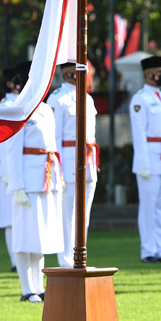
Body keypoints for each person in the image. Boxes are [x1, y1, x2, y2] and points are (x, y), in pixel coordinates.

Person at [6, 61, 64, 301]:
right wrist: (16, 184)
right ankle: (26, 288)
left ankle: (38, 286)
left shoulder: (46, 109)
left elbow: (53, 145)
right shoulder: (18, 108)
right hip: (27, 181)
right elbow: (12, 150)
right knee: (23, 237)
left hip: (45, 179)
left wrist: (58, 179)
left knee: (39, 237)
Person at [47, 62, 98, 269]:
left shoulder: (87, 98)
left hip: (88, 159)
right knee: (67, 213)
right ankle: (67, 259)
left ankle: (81, 254)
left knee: (83, 214)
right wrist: (57, 169)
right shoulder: (57, 99)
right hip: (68, 159)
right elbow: (55, 137)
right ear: (66, 72)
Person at [129, 55, 161, 263]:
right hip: (149, 159)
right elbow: (139, 133)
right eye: (159, 72)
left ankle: (160, 249)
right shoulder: (140, 99)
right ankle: (148, 250)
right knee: (148, 207)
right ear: (147, 74)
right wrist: (143, 163)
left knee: (159, 208)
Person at [0, 67, 19, 272]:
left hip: (21, 167)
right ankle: (14, 259)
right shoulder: (6, 105)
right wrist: (5, 170)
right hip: (9, 169)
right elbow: (3, 142)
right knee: (10, 218)